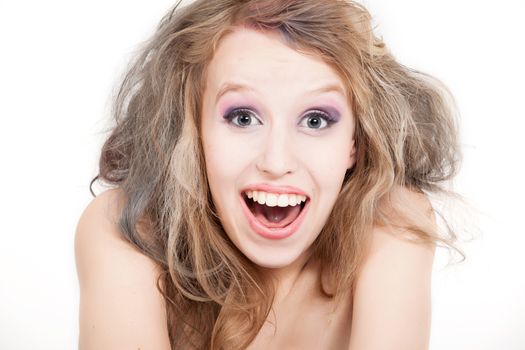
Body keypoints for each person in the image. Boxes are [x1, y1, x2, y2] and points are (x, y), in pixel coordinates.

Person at [75, 0, 463, 349]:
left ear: (355, 142)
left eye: (315, 120)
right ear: (194, 131)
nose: (277, 162)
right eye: (243, 117)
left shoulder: (393, 223)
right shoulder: (125, 227)